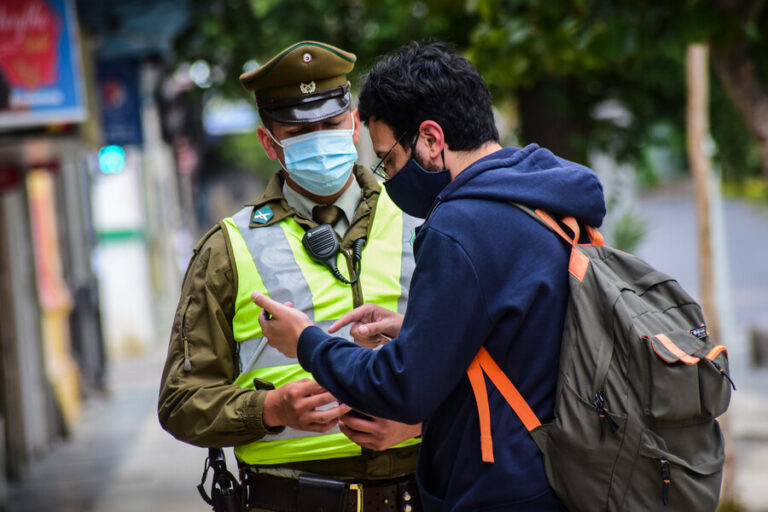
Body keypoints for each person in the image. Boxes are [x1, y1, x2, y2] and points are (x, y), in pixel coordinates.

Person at [252, 42, 607, 511]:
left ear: (431, 140)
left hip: (502, 491)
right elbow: (524, 334)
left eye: (389, 161)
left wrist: (306, 342)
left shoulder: (460, 226)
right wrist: (418, 330)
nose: (389, 177)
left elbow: (404, 388)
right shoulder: (542, 200)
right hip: (559, 478)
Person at [158, 41, 423, 512]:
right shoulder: (226, 249)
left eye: (331, 124)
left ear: (354, 123)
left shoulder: (421, 218)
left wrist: (422, 420)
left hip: (418, 495)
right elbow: (180, 402)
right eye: (300, 132)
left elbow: (485, 360)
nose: (320, 139)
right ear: (270, 143)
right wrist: (270, 410)